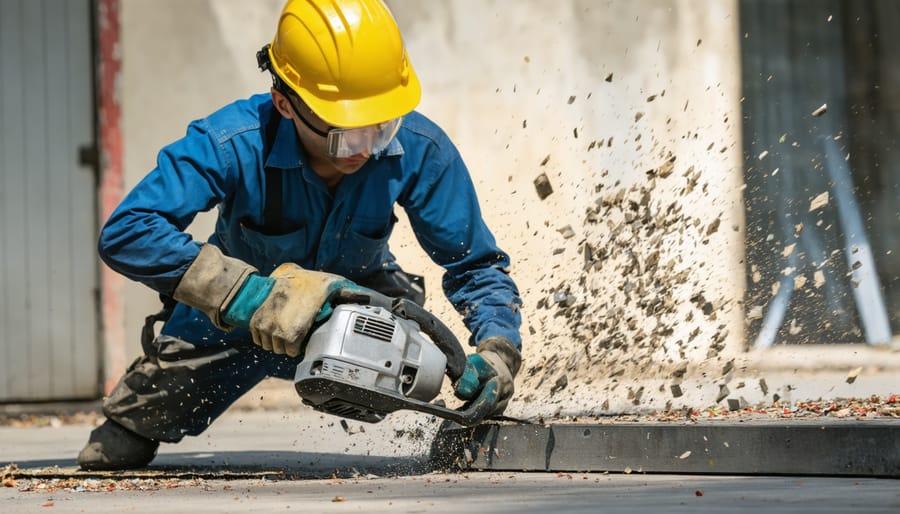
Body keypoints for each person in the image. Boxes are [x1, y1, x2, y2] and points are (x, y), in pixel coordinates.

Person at [77, 0, 522, 471]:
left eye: (381, 126)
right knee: (116, 450)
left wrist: (497, 351)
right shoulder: (231, 142)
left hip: (356, 312)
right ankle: (135, 420)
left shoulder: (417, 145)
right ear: (285, 103)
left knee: (430, 367)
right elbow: (128, 231)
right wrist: (250, 296)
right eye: (347, 136)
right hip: (231, 320)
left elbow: (474, 264)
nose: (367, 148)